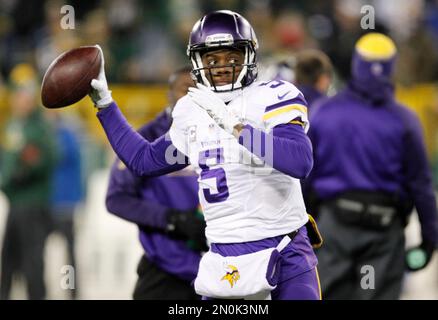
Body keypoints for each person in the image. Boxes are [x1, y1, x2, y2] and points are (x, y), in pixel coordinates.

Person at [88, 10, 322, 300]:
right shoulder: (192, 110)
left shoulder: (274, 95)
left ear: (249, 56)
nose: (222, 66)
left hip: (283, 250)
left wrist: (236, 128)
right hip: (225, 259)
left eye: (232, 57)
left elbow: (300, 161)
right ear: (198, 62)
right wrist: (105, 105)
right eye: (212, 59)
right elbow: (144, 161)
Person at [304, 33, 438, 299]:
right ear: (391, 66)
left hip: (333, 226)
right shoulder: (405, 121)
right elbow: (421, 187)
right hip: (383, 231)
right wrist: (429, 238)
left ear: (356, 64)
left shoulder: (324, 112)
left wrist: (302, 226)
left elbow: (303, 175)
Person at [105, 66, 206, 300]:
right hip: (167, 269)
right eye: (186, 89)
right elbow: (116, 199)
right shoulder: (145, 141)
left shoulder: (227, 134)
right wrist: (172, 219)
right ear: (169, 95)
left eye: (200, 89)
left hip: (225, 271)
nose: (194, 96)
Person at [0, 64, 58, 300]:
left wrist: (27, 171)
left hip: (33, 204)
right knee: (8, 263)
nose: (20, 100)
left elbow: (50, 157)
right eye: (18, 94)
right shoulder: (13, 124)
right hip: (14, 204)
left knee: (33, 263)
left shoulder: (39, 126)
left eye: (25, 95)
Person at [48, 112, 83, 299]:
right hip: (45, 204)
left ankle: (71, 292)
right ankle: (41, 289)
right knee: (37, 250)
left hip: (65, 205)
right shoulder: (48, 133)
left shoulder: (67, 135)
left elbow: (62, 157)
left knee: (69, 251)